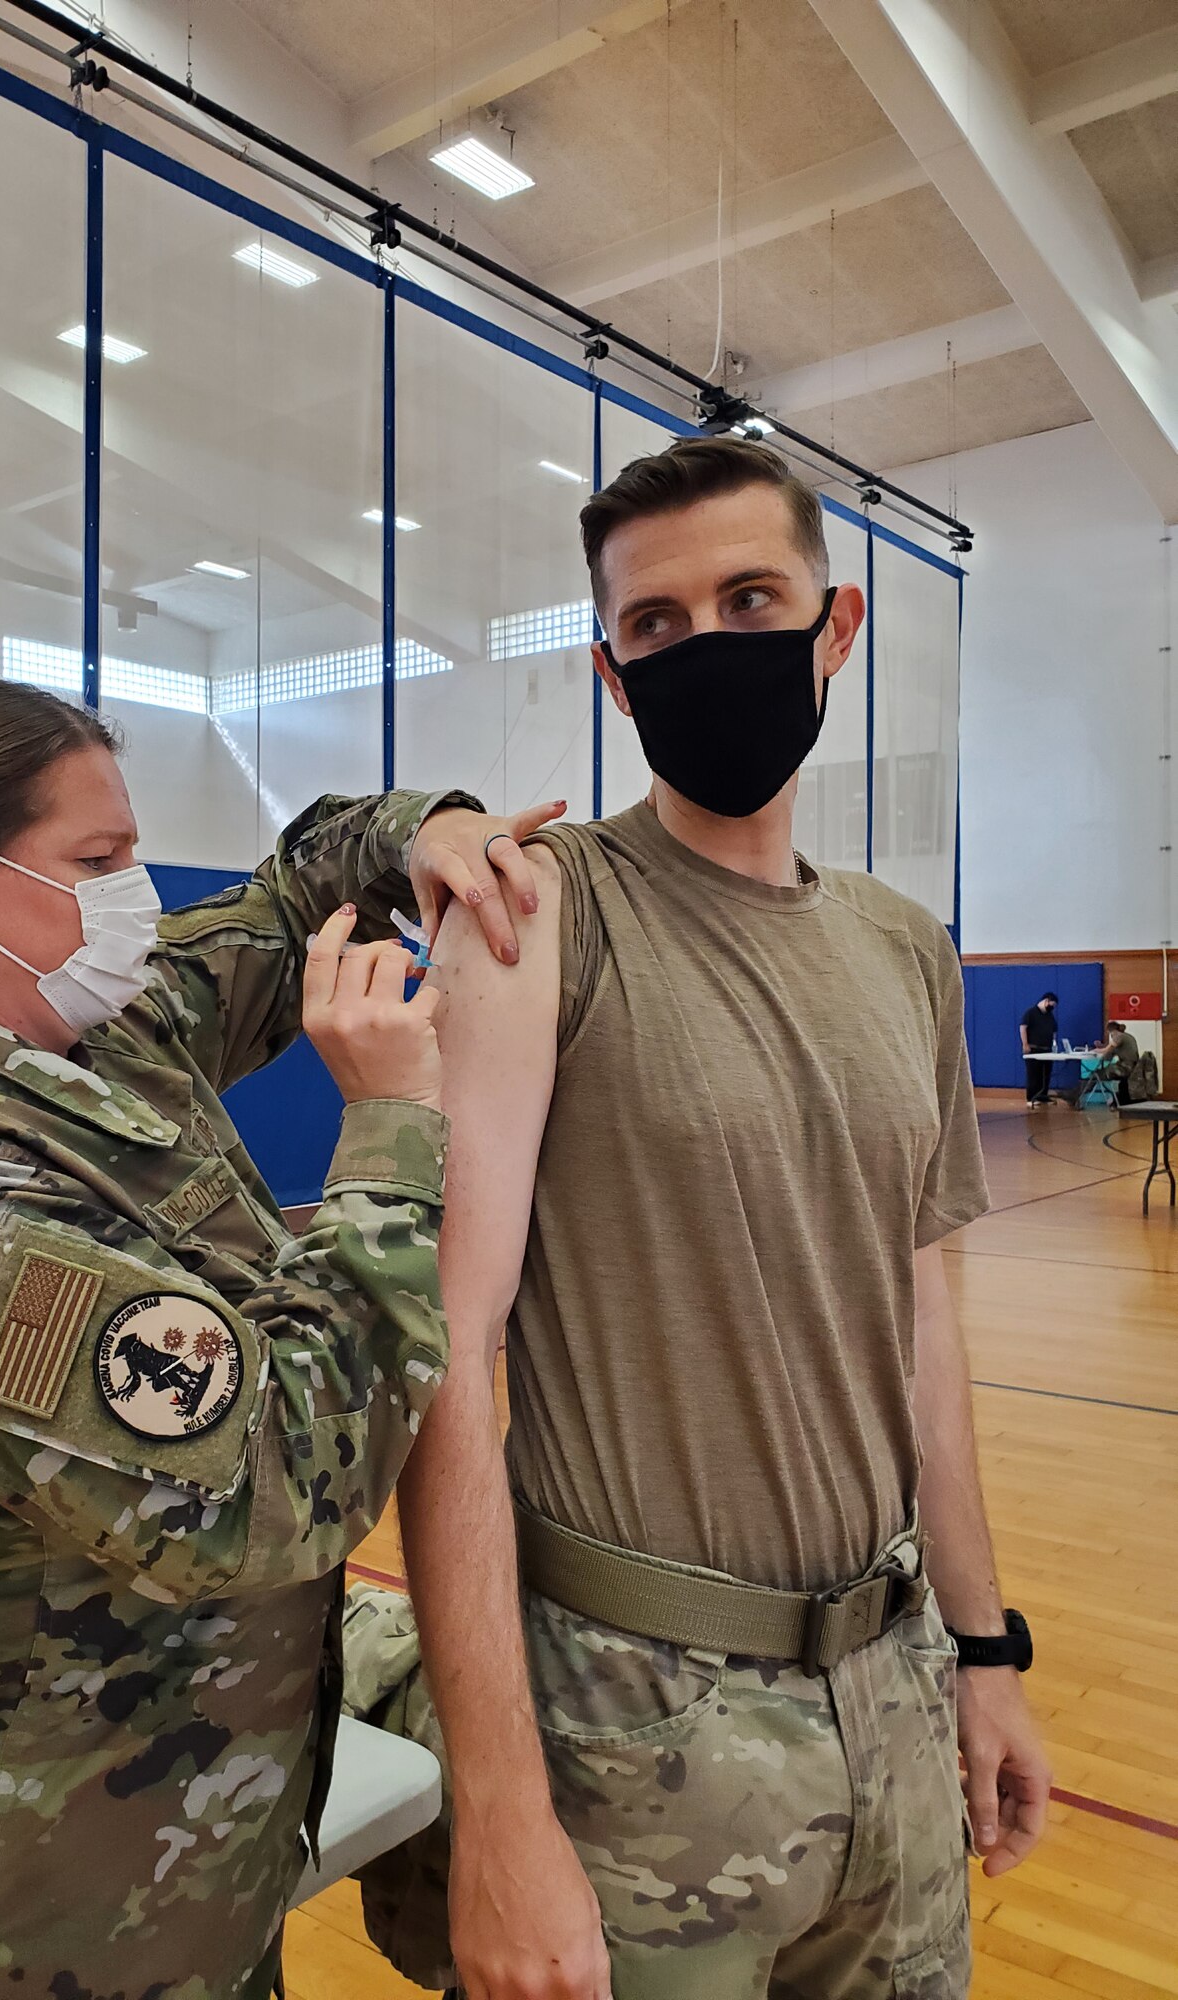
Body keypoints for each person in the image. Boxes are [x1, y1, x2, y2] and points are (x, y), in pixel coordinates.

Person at [0, 676, 559, 2000]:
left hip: (189, 1853)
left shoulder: (90, 1030)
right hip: (31, 1918)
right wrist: (392, 1131)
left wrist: (426, 830)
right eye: (101, 859)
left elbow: (289, 892)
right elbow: (283, 1486)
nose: (138, 894)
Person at [393, 439, 1050, 1999]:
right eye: (659, 625)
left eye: (751, 597)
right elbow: (445, 1356)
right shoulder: (536, 910)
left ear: (838, 626)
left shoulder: (906, 949)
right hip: (637, 1726)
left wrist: (982, 1646)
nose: (706, 646)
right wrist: (497, 1807)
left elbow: (923, 1326)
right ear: (614, 675)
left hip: (891, 1689)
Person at [1020, 990, 1058, 1104]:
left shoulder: (1049, 1016)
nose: (1052, 1008)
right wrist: (1025, 1044)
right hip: (1033, 1049)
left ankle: (1042, 1096)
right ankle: (1031, 1098)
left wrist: (1054, 1043)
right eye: (1052, 1005)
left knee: (1045, 1075)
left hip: (1047, 1049)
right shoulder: (1030, 1013)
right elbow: (1023, 1027)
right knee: (1033, 1074)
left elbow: (1054, 1030)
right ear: (1046, 1001)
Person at [1091, 1018, 1140, 1103]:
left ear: (1111, 1031)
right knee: (1098, 1073)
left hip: (1126, 1068)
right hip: (1131, 1067)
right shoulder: (1126, 1037)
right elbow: (1109, 1055)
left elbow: (1107, 1050)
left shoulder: (1119, 1036)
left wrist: (1095, 1050)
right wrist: (1101, 1047)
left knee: (1095, 1074)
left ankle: (1076, 1094)